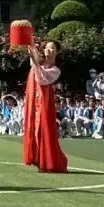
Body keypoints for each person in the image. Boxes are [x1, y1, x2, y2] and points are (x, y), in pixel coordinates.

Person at [22, 41, 68, 173]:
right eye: (47, 47)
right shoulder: (39, 63)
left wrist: (34, 60)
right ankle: (37, 159)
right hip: (33, 101)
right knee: (33, 128)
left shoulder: (55, 70)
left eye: (52, 48)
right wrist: (29, 42)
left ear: (57, 52)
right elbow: (33, 53)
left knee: (43, 129)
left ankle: (47, 161)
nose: (48, 50)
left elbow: (42, 79)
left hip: (44, 102)